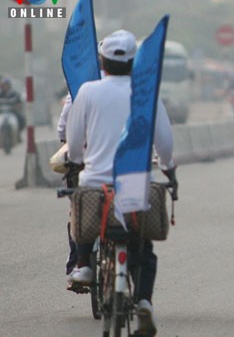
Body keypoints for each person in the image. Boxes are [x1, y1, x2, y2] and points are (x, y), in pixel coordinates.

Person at [66, 30, 177, 336]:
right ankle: (143, 300)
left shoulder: (88, 91)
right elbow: (165, 144)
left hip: (95, 185)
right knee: (144, 248)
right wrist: (169, 171)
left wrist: (79, 160)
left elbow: (74, 145)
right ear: (135, 63)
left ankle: (85, 263)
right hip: (135, 186)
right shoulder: (146, 93)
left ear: (101, 60)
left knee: (81, 213)